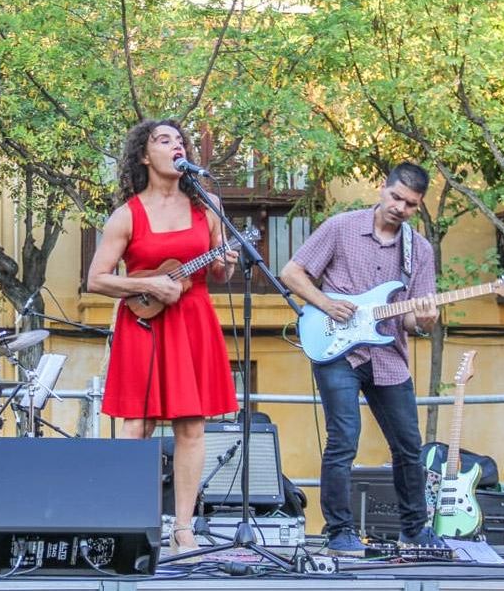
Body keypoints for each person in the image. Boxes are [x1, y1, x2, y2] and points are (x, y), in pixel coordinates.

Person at [87, 119, 239, 555]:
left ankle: (184, 528)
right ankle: (129, 520)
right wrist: (146, 285)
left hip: (193, 321)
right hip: (144, 324)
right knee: (137, 424)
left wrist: (225, 262)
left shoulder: (206, 206)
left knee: (192, 426)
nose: (176, 146)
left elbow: (219, 271)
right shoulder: (127, 214)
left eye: (181, 140)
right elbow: (96, 279)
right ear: (143, 155)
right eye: (164, 140)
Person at [279, 162, 442, 557]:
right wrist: (326, 303)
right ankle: (339, 533)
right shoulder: (341, 227)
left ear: (417, 207)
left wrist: (422, 320)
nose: (400, 207)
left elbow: (408, 317)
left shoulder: (418, 249)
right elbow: (291, 272)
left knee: (408, 444)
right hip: (337, 350)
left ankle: (415, 531)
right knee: (343, 439)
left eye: (410, 204)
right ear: (383, 190)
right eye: (396, 197)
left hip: (388, 354)